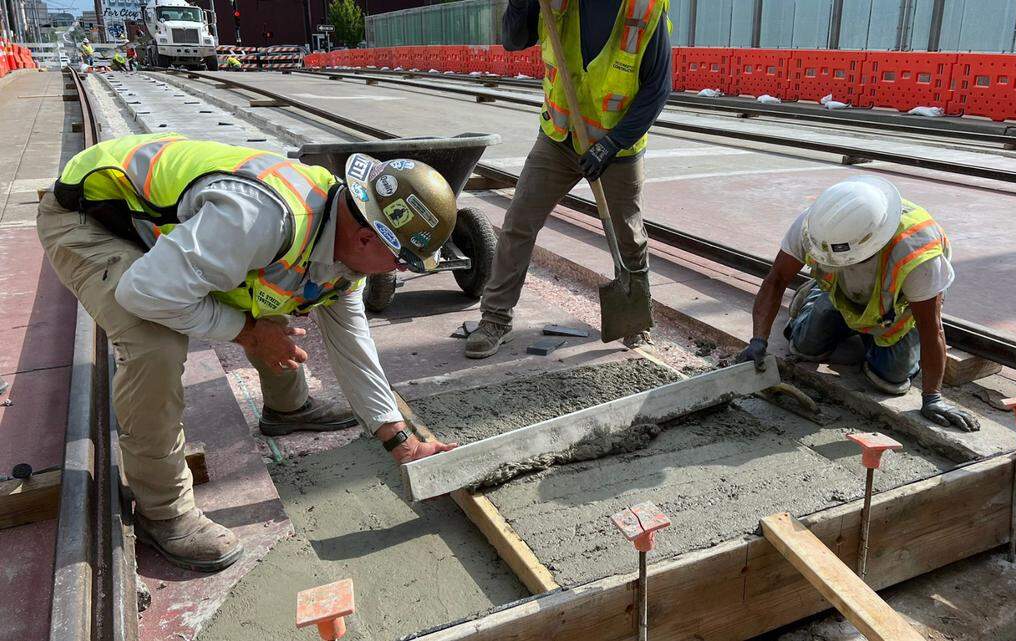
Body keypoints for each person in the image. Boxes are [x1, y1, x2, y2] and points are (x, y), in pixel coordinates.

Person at [39, 133, 460, 571]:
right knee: (155, 342)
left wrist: (401, 442)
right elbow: (144, 293)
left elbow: (353, 345)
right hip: (95, 217)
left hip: (177, 231)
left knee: (285, 288)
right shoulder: (261, 219)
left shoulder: (344, 236)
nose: (399, 270)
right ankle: (162, 512)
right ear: (367, 238)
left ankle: (287, 409)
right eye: (401, 260)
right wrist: (249, 332)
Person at [464, 0, 672, 358]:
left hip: (617, 146)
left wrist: (610, 145)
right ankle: (495, 318)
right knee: (519, 224)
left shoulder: (644, 10)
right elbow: (513, 40)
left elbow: (657, 88)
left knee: (629, 237)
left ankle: (635, 322)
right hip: (558, 138)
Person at [738, 176, 981, 432]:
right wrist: (758, 341)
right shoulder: (816, 227)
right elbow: (776, 280)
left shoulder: (917, 254)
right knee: (804, 348)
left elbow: (931, 328)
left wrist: (933, 397)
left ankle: (872, 336)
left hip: (896, 311)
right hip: (842, 294)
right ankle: (814, 297)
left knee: (890, 381)